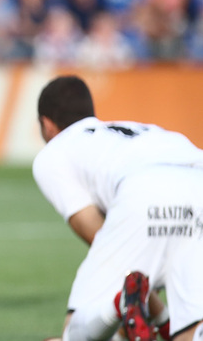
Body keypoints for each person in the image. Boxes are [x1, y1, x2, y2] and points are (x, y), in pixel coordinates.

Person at [33, 75, 203, 341]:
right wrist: (163, 320)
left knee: (75, 334)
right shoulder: (130, 130)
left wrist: (132, 303)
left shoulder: (55, 152)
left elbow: (104, 240)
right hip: (197, 179)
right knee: (191, 332)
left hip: (146, 188)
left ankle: (117, 307)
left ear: (47, 124)